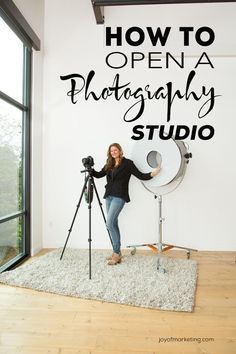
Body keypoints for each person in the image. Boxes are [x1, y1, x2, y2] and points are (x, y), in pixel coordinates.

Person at [92, 143, 161, 265]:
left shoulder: (127, 163)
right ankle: (116, 252)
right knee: (113, 223)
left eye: (115, 150)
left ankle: (117, 253)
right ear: (110, 153)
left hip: (119, 196)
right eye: (111, 151)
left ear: (120, 150)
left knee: (109, 223)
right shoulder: (109, 164)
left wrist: (152, 174)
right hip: (109, 196)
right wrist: (90, 169)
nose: (113, 152)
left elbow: (140, 175)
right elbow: (98, 175)